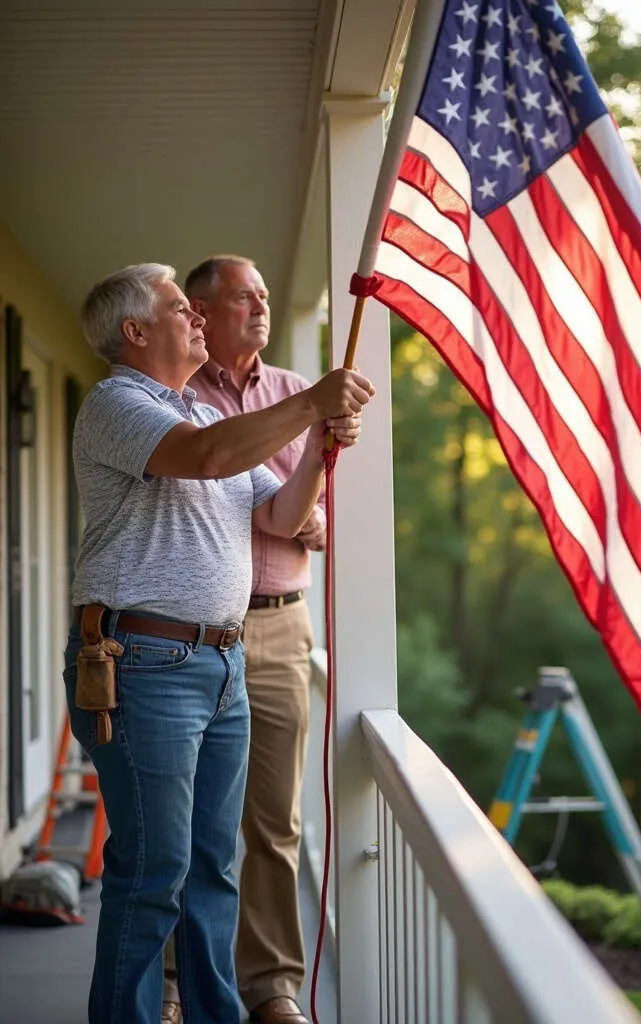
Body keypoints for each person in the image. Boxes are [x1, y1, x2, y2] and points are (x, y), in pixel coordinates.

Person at [64, 262, 373, 1024]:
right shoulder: (119, 404)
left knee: (211, 869)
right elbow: (204, 463)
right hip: (144, 664)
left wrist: (316, 443)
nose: (197, 319)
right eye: (180, 309)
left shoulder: (199, 417)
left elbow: (277, 516)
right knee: (153, 870)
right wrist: (308, 401)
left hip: (223, 662)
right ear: (136, 333)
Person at [160, 255, 326, 1024]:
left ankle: (271, 987)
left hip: (282, 623)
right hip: (194, 631)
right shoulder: (173, 398)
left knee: (273, 820)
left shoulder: (298, 396)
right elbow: (202, 478)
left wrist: (313, 501)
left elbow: (307, 511)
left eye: (264, 297)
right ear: (199, 311)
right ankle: (168, 981)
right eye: (243, 298)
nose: (260, 308)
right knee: (182, 819)